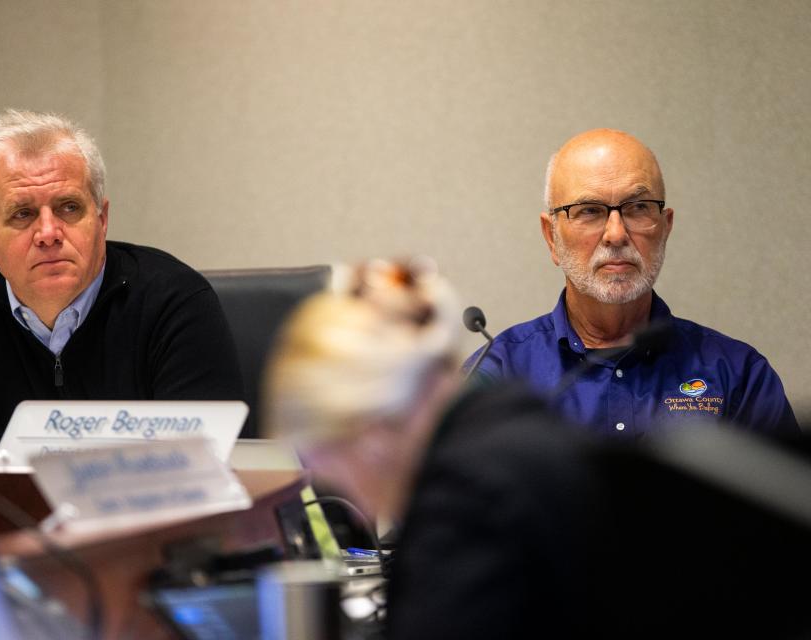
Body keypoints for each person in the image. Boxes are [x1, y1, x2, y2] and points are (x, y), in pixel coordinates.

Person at [263, 258, 811, 639]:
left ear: (369, 431)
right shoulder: (513, 426)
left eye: (322, 465)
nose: (339, 491)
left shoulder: (464, 499)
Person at [0, 109, 242, 463]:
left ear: (102, 220)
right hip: (17, 520)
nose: (48, 233)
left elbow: (200, 471)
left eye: (69, 207)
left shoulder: (175, 300)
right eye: (22, 214)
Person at [467, 128, 798, 436]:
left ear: (665, 228)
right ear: (551, 237)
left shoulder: (737, 376)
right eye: (589, 211)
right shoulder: (496, 375)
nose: (616, 234)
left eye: (638, 207)